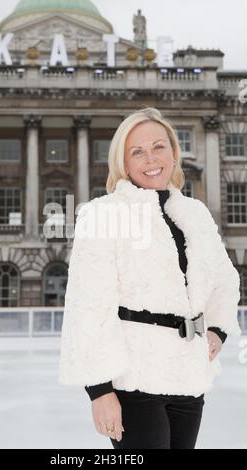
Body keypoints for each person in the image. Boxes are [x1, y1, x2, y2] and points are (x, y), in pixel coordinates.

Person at [58, 107, 242, 449]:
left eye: (159, 146)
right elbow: (88, 306)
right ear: (124, 164)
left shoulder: (194, 214)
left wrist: (217, 329)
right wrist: (100, 391)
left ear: (173, 152)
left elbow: (225, 281)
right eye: (137, 151)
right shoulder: (102, 214)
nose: (150, 158)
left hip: (189, 379)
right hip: (133, 381)